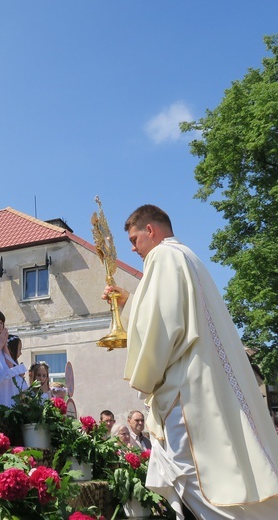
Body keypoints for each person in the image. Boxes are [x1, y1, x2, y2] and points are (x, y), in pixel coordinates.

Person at [103, 204, 278, 518]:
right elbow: (168, 310)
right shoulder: (188, 258)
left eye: (134, 238)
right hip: (207, 383)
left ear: (151, 230)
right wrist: (130, 303)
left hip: (188, 390)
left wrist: (144, 376)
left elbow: (163, 324)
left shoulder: (162, 256)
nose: (132, 247)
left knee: (195, 478)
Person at [0, 335, 28, 407]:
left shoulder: (17, 371)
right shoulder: (5, 371)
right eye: (19, 349)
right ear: (11, 350)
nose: (20, 353)